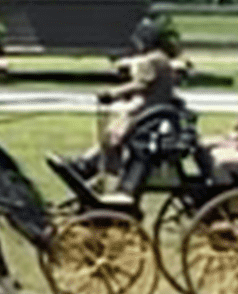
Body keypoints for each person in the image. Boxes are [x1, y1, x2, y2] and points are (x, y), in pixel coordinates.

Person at [69, 18, 180, 183]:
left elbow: (141, 85)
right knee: (112, 134)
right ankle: (90, 163)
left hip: (146, 112)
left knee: (112, 136)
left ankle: (91, 166)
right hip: (157, 110)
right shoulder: (161, 58)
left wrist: (112, 94)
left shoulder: (149, 60)